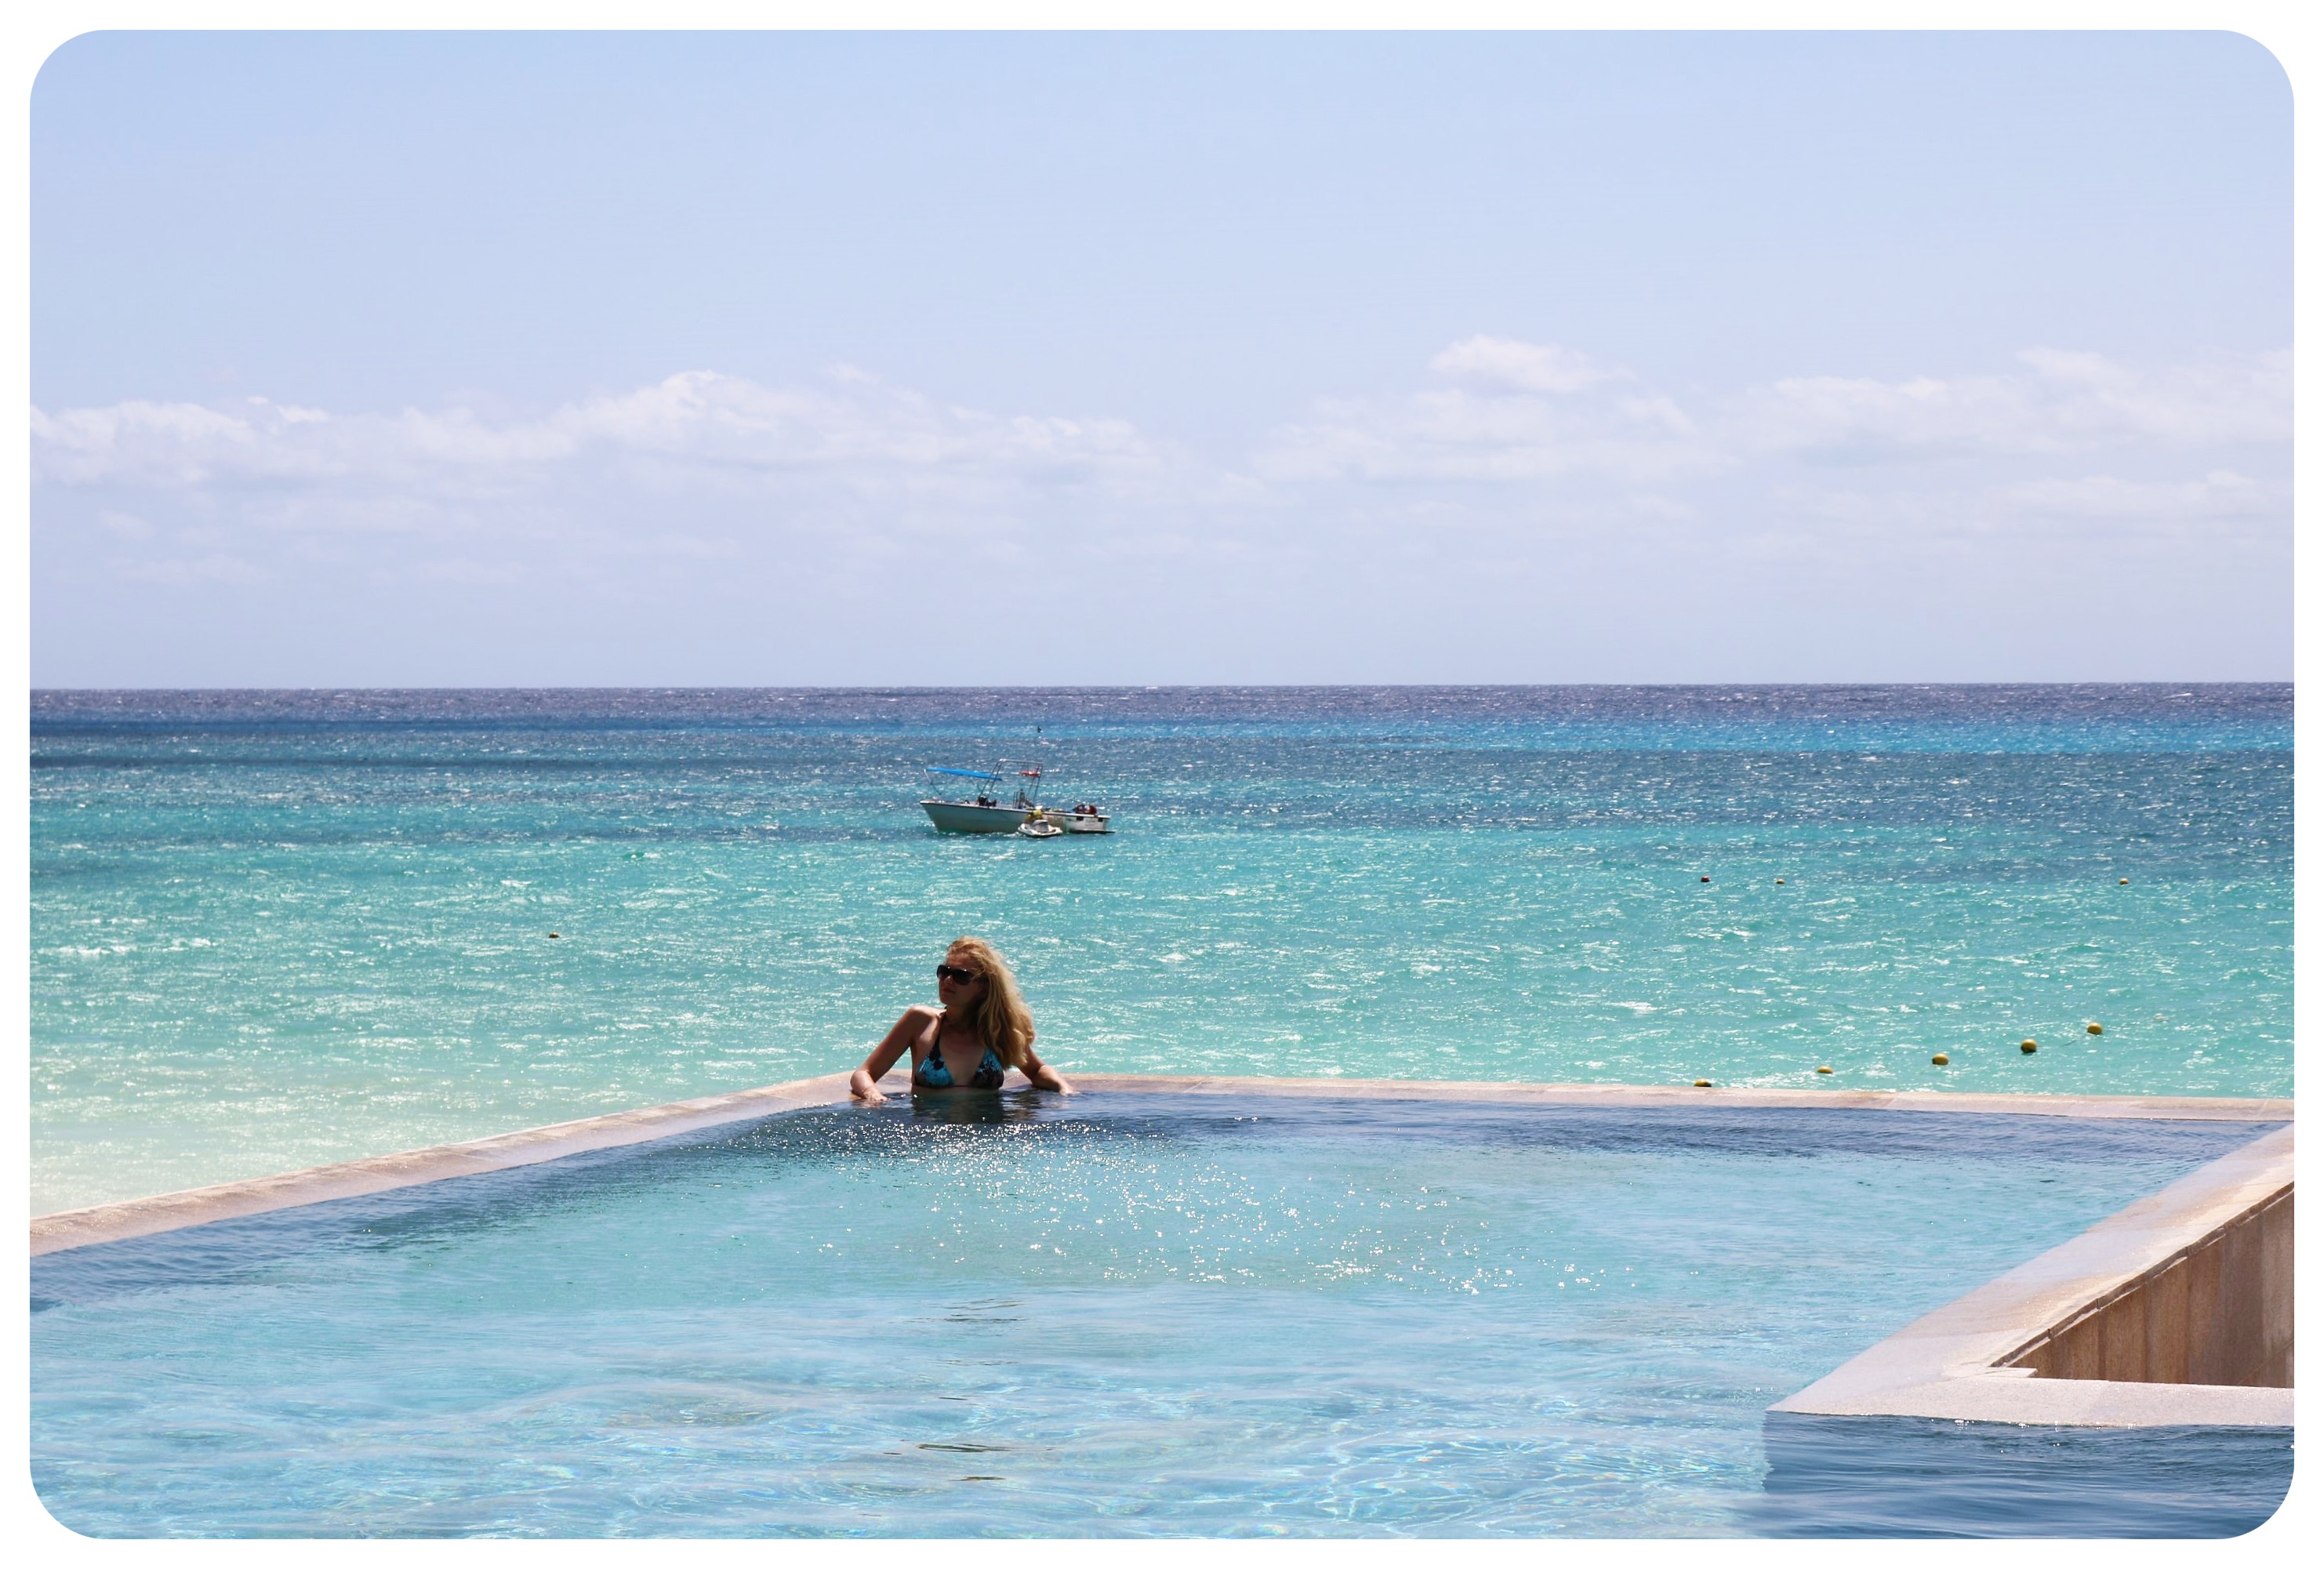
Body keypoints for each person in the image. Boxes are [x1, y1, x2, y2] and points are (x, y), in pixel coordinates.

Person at [849, 937, 1072, 1104]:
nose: (947, 980)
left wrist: (1065, 1089)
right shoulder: (921, 1021)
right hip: (930, 1135)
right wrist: (873, 1095)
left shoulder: (996, 1029)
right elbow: (863, 1074)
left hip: (990, 1135)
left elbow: (1037, 1070)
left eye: (961, 976)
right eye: (944, 971)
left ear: (984, 988)